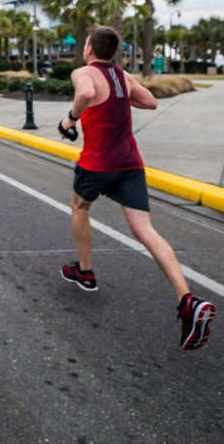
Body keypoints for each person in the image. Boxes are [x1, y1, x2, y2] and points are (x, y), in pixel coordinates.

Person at [60, 25, 215, 350]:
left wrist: (70, 119)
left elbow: (87, 93)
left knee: (79, 207)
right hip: (130, 164)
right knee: (145, 230)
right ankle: (187, 300)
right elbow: (151, 102)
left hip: (98, 163)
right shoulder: (121, 75)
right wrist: (118, 103)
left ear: (89, 49)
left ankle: (85, 272)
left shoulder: (83, 72)